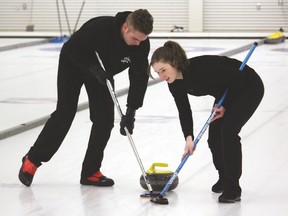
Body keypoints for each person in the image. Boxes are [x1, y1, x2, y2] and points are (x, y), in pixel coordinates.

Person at [18, 9, 154, 187]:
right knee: (65, 113)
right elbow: (71, 50)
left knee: (104, 120)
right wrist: (93, 69)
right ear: (125, 26)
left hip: (102, 74)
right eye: (134, 39)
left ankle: (91, 171)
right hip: (74, 64)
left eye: (141, 40)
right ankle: (32, 160)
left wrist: (131, 111)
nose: (137, 44)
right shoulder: (99, 29)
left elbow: (139, 78)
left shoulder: (141, 45)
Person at [148, 41, 264, 203]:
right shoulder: (173, 82)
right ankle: (224, 178)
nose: (161, 76)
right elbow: (184, 110)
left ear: (174, 63)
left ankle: (233, 188)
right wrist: (188, 138)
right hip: (226, 91)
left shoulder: (199, 69)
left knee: (228, 132)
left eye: (163, 70)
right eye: (157, 72)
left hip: (247, 86)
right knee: (214, 137)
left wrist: (224, 105)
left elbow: (237, 78)